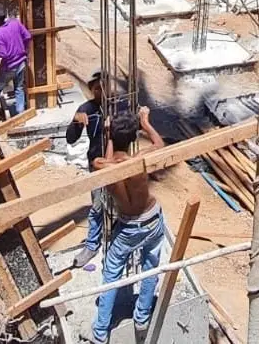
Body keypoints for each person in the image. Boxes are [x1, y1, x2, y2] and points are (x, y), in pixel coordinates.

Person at [90, 107, 167, 344]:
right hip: (152, 219)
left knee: (111, 274)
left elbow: (110, 163)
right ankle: (142, 317)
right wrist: (145, 122)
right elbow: (160, 145)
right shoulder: (139, 162)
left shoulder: (101, 164)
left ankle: (101, 331)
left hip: (128, 228)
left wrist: (109, 135)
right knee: (150, 266)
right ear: (134, 137)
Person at [65, 72, 108, 270]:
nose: (101, 91)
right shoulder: (86, 109)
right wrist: (75, 121)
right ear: (91, 90)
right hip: (97, 165)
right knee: (98, 206)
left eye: (104, 86)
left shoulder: (118, 106)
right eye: (97, 88)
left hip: (118, 163)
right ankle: (91, 245)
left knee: (120, 205)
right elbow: (71, 139)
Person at [0, 4, 31, 118]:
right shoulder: (15, 23)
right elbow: (27, 36)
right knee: (19, 88)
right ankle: (20, 115)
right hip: (21, 63)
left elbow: (4, 54)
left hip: (8, 68)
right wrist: (24, 49)